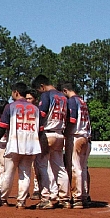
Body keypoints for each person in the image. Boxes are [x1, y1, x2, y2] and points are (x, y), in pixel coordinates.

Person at [0, 82, 41, 209]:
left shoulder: (10, 106)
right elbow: (40, 129)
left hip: (14, 143)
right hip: (31, 144)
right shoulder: (35, 109)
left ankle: (2, 199)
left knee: (8, 172)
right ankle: (21, 201)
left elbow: (2, 127)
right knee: (25, 173)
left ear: (16, 93)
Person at [31, 74, 70, 209]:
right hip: (60, 133)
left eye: (38, 90)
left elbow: (41, 115)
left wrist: (37, 132)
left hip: (47, 134)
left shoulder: (47, 95)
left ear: (42, 86)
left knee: (42, 165)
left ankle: (46, 198)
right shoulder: (63, 97)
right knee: (59, 167)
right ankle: (65, 198)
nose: (39, 93)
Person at [62, 82, 92, 208]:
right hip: (86, 136)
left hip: (76, 136)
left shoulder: (72, 101)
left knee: (75, 168)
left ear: (65, 90)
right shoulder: (82, 101)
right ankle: (84, 195)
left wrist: (65, 132)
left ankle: (77, 197)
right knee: (83, 167)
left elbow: (72, 120)